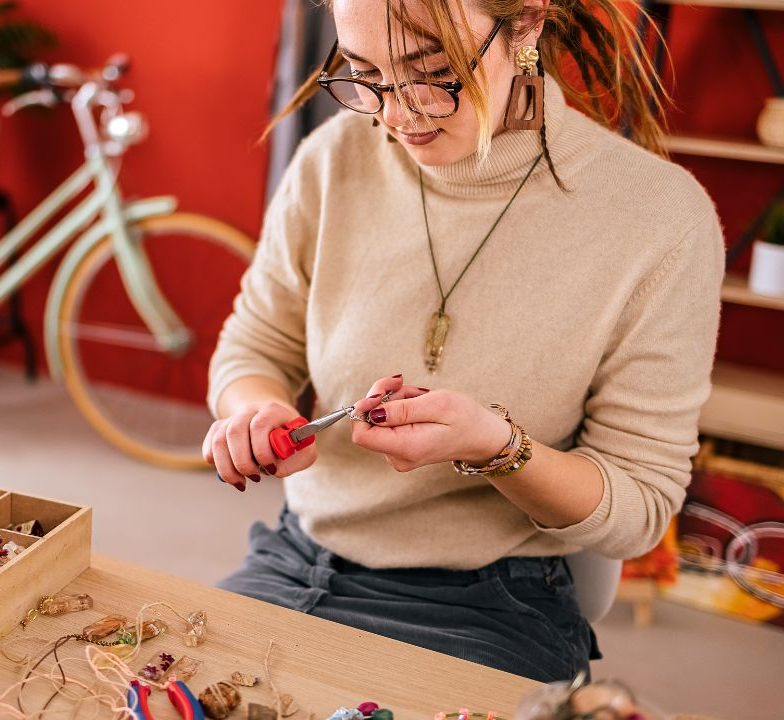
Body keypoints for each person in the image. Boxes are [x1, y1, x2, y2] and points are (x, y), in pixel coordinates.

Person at [202, 0, 724, 683]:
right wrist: (255, 407)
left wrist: (497, 448)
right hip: (299, 558)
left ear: (527, 24)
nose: (393, 114)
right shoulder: (332, 160)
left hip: (496, 602)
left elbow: (640, 510)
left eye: (430, 74)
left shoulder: (659, 219)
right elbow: (254, 343)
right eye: (363, 75)